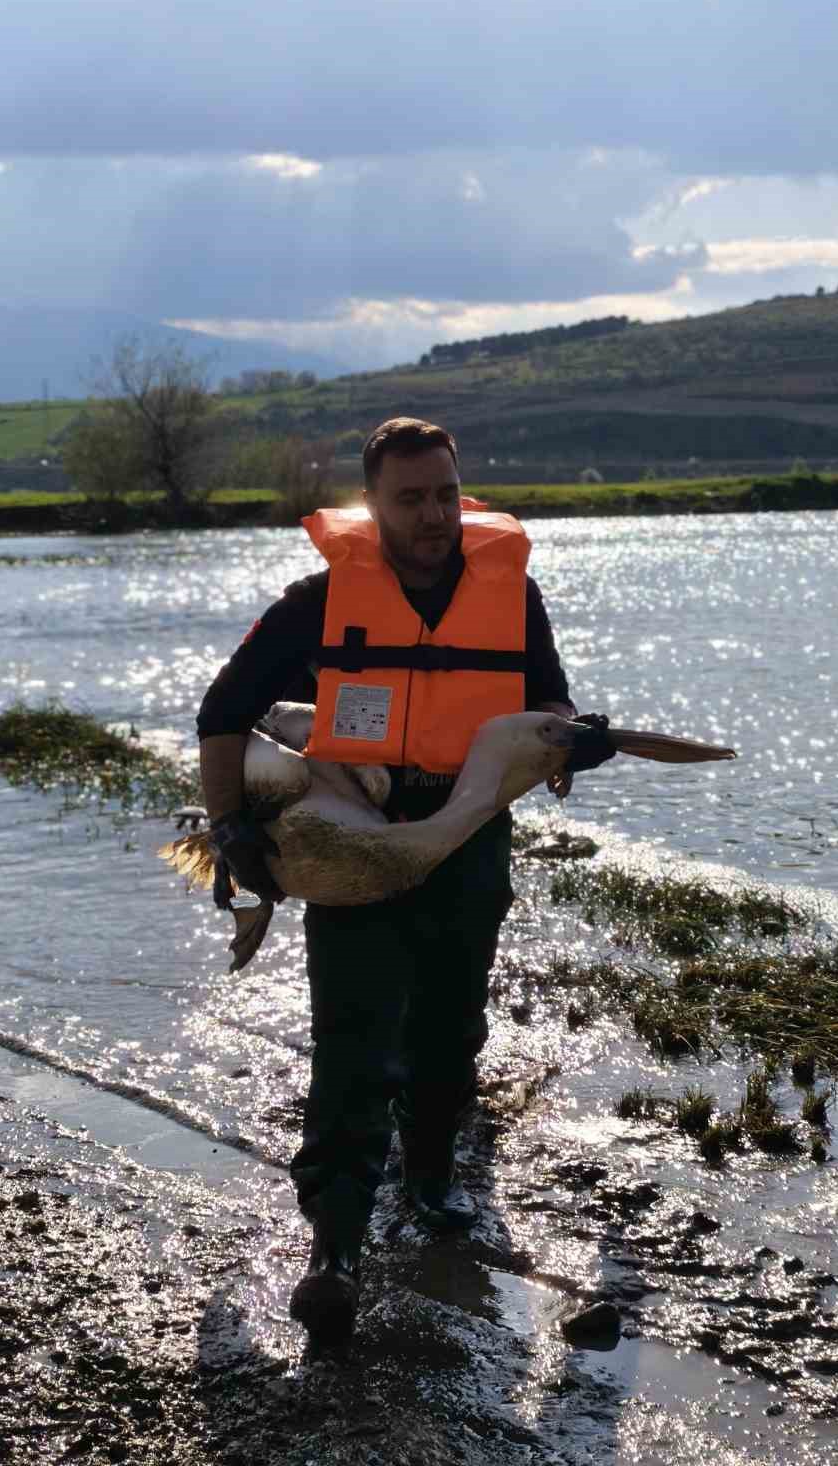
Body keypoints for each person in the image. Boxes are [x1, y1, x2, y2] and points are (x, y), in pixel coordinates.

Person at [196, 416, 613, 1345]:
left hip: (466, 839)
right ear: (373, 504)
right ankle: (334, 1243)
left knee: (451, 1024)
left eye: (443, 495)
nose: (432, 516)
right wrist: (231, 826)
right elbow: (222, 710)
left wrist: (571, 736)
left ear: (461, 492)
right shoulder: (316, 600)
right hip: (356, 844)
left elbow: (547, 699)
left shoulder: (513, 595)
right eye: (409, 499)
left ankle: (429, 1177)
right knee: (352, 1038)